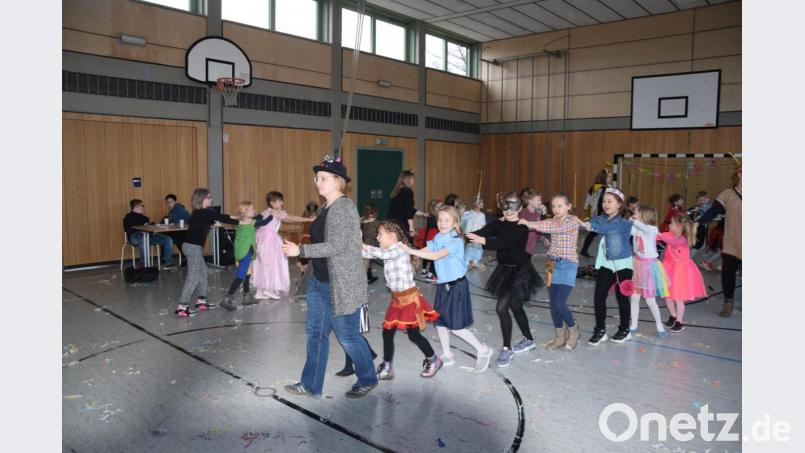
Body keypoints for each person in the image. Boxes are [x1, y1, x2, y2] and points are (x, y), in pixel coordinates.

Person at [281, 154, 378, 399]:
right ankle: (310, 383)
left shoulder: (344, 207)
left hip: (341, 285)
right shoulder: (327, 207)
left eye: (323, 178)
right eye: (317, 178)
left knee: (348, 337)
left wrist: (300, 251)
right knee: (316, 334)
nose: (318, 182)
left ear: (338, 181)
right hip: (320, 282)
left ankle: (368, 377)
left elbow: (335, 246)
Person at [405, 205, 493, 373]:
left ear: (455, 223)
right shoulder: (439, 237)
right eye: (440, 220)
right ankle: (447, 354)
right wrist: (412, 253)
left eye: (447, 220)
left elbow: (436, 255)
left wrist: (410, 250)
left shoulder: (456, 241)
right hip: (443, 286)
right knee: (440, 322)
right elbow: (430, 249)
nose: (442, 223)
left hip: (456, 287)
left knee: (456, 327)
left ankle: (483, 351)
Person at [467, 192, 543, 368]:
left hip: (519, 270)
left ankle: (507, 348)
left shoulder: (522, 227)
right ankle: (529, 340)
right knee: (515, 305)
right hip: (505, 269)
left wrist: (482, 240)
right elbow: (484, 231)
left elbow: (504, 243)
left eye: (512, 206)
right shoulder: (499, 223)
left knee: (501, 308)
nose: (508, 210)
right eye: (505, 206)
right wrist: (466, 235)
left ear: (520, 208)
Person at [364, 221, 441, 379]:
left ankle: (433, 359)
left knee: (413, 335)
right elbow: (370, 254)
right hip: (398, 300)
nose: (377, 237)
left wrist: (362, 244)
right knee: (387, 333)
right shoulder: (388, 249)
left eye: (380, 234)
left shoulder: (398, 249)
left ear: (392, 236)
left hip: (410, 300)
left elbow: (381, 254)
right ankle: (387, 366)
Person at [518, 193, 583, 350]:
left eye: (560, 206)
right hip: (552, 265)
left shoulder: (573, 221)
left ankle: (574, 331)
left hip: (568, 265)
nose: (556, 209)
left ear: (569, 206)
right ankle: (560, 337)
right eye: (553, 206)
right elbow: (546, 223)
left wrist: (531, 224)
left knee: (560, 303)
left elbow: (551, 227)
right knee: (553, 304)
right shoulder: (552, 221)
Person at [582, 188, 634, 346]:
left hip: (622, 265)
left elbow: (607, 229)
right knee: (599, 295)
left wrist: (590, 226)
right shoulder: (601, 219)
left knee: (622, 297)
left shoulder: (624, 223)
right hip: (606, 263)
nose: (605, 204)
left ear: (619, 204)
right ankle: (600, 330)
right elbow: (588, 224)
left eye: (609, 201)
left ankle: (625, 329)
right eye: (604, 201)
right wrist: (575, 222)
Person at [176, 189, 239, 317]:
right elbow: (225, 218)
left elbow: (221, 218)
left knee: (203, 272)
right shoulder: (204, 213)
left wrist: (239, 218)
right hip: (192, 248)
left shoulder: (200, 213)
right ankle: (182, 306)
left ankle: (202, 300)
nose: (211, 199)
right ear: (201, 199)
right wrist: (244, 220)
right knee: (193, 276)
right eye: (208, 197)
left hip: (193, 247)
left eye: (211, 197)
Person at [697, 165, 741, 317]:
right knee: (728, 272)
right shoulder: (728, 194)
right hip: (732, 240)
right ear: (740, 174)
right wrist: (698, 223)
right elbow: (713, 211)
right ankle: (728, 302)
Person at [253, 191, 312, 300]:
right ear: (272, 203)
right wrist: (308, 219)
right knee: (273, 263)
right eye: (279, 201)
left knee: (263, 263)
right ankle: (269, 289)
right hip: (269, 239)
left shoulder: (267, 211)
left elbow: (256, 221)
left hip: (261, 238)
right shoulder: (276, 212)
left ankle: (260, 291)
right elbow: (291, 218)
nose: (282, 203)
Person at [658, 213, 708, 332]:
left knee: (678, 298)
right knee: (668, 296)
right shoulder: (670, 235)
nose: (669, 225)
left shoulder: (682, 240)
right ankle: (673, 315)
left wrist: (656, 233)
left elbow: (669, 240)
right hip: (669, 269)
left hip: (680, 272)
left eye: (672, 223)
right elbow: (659, 237)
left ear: (680, 226)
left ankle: (680, 321)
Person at [220, 201, 273, 311]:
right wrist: (272, 215)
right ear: (245, 211)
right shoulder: (250, 221)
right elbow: (263, 222)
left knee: (247, 274)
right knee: (240, 276)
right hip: (245, 252)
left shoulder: (242, 220)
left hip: (241, 251)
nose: (254, 211)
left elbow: (258, 218)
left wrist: (263, 213)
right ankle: (227, 298)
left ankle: (246, 297)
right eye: (252, 209)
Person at [627, 205, 670, 338]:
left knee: (650, 300)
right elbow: (630, 231)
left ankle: (659, 326)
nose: (634, 213)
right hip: (637, 265)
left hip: (649, 267)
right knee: (634, 298)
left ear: (645, 215)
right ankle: (633, 324)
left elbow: (643, 228)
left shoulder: (652, 229)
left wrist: (633, 220)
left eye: (637, 212)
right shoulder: (636, 228)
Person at [123, 199, 175, 269]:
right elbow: (128, 230)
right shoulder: (128, 218)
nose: (144, 208)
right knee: (143, 238)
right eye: (142, 206)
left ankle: (168, 263)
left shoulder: (145, 218)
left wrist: (152, 227)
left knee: (167, 239)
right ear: (136, 206)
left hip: (148, 236)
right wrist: (142, 227)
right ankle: (144, 266)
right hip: (135, 237)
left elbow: (147, 229)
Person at [580, 170, 611, 257]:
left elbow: (587, 202)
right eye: (609, 176)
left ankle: (584, 250)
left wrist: (589, 212)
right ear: (605, 178)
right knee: (601, 235)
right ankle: (601, 256)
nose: (611, 178)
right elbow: (602, 203)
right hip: (600, 214)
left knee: (593, 233)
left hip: (594, 214)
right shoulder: (605, 189)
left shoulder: (594, 187)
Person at [387, 170, 418, 241]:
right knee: (406, 246)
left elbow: (406, 208)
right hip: (401, 225)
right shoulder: (408, 191)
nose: (413, 181)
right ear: (408, 180)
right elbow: (408, 211)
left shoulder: (396, 191)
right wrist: (411, 228)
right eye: (412, 179)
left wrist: (423, 214)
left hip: (391, 224)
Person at [519, 187, 546, 256]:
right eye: (538, 200)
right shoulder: (523, 212)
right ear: (530, 201)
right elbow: (527, 228)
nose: (540, 202)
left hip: (530, 247)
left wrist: (542, 238)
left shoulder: (536, 213)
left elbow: (538, 229)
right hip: (522, 246)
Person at [461, 197, 486, 270]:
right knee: (469, 248)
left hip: (479, 234)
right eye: (481, 202)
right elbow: (463, 220)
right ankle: (467, 262)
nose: (483, 204)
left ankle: (475, 261)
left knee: (478, 248)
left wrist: (483, 234)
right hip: (471, 233)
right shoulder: (469, 213)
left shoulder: (482, 215)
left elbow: (483, 225)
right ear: (476, 204)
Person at [361, 203, 381, 284]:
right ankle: (362, 282)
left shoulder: (361, 221)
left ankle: (369, 277)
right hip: (372, 245)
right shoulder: (377, 222)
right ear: (375, 211)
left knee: (367, 262)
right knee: (365, 264)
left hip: (363, 244)